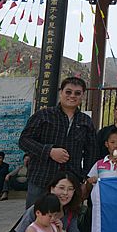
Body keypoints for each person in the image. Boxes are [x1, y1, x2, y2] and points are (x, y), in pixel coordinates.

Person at [19, 77, 97, 208]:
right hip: (41, 179)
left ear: (82, 96)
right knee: (36, 217)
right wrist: (49, 151)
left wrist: (85, 180)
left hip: (71, 183)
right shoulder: (43, 115)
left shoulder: (86, 121)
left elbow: (92, 153)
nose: (72, 96)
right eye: (68, 92)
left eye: (77, 93)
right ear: (61, 93)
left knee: (67, 218)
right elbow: (24, 141)